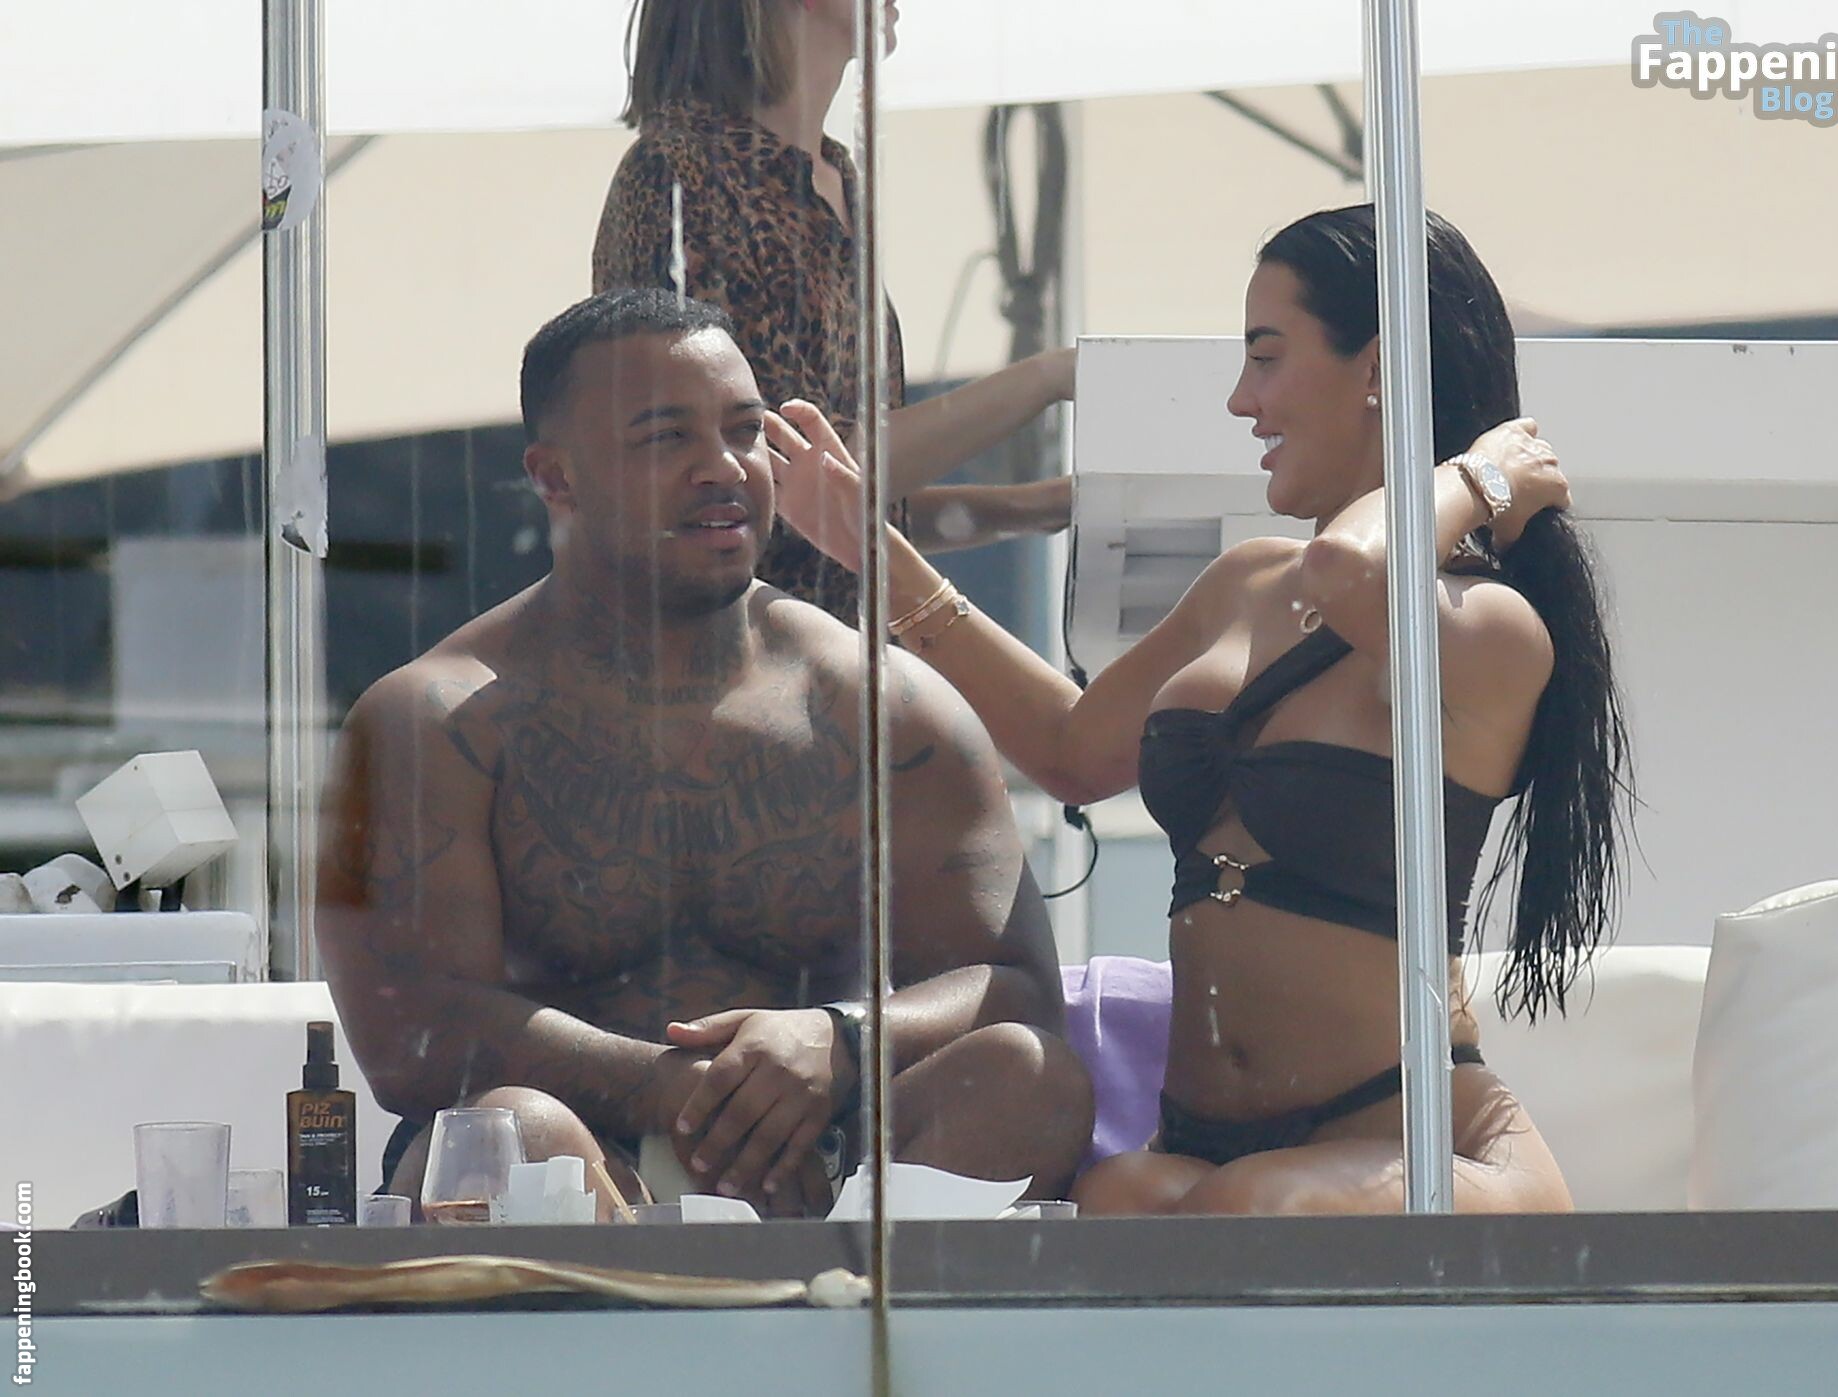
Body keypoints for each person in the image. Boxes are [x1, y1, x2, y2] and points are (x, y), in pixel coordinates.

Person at [770, 205, 1635, 1215]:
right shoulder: (1244, 585)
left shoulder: (1487, 628)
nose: (1240, 399)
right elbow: (1069, 748)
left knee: (1245, 1213)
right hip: (1204, 1152)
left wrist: (1479, 477)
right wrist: (868, 549)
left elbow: (1352, 574)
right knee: (1120, 1196)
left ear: (1376, 370)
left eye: (1265, 358)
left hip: (1416, 1142)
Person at [315, 288, 1092, 1218]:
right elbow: (411, 1036)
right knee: (511, 1134)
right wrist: (674, 1087)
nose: (723, 467)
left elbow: (1020, 993)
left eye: (745, 430)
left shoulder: (882, 705)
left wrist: (841, 1039)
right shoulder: (432, 719)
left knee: (1028, 1078)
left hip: (830, 1168)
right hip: (580, 1171)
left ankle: (844, 1311)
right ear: (556, 477)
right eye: (665, 437)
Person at [593, 0, 1075, 624]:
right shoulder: (679, 177)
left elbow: (840, 507)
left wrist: (1047, 506)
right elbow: (791, 473)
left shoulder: (833, 175)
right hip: (741, 661)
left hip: (835, 657)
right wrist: (1050, 377)